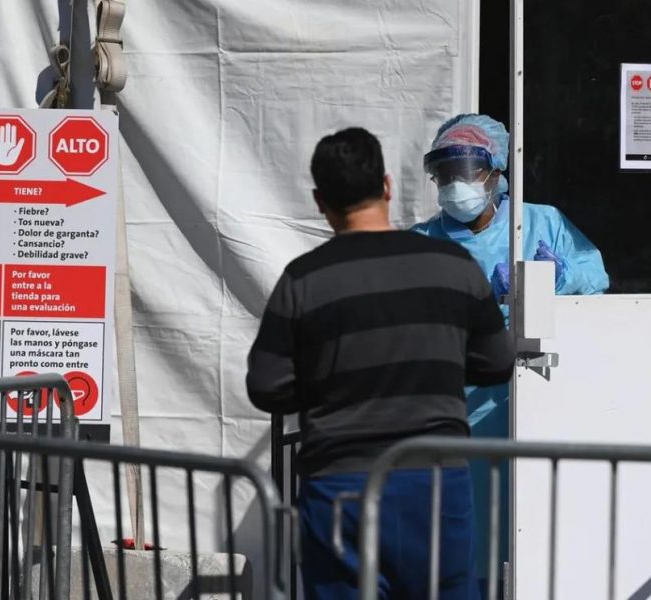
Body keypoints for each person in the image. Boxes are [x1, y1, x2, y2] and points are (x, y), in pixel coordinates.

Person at [247, 127, 516, 599]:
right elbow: (496, 363)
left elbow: (267, 386)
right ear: (387, 187)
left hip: (340, 487)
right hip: (436, 484)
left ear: (320, 201)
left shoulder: (303, 280)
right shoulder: (454, 266)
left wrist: (328, 381)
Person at [412, 113, 609, 596]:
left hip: (531, 405)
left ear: (497, 172)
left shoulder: (540, 223)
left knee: (530, 530)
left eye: (466, 170)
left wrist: (558, 280)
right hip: (452, 416)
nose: (455, 184)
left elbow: (597, 282)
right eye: (445, 173)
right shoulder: (420, 243)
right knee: (459, 540)